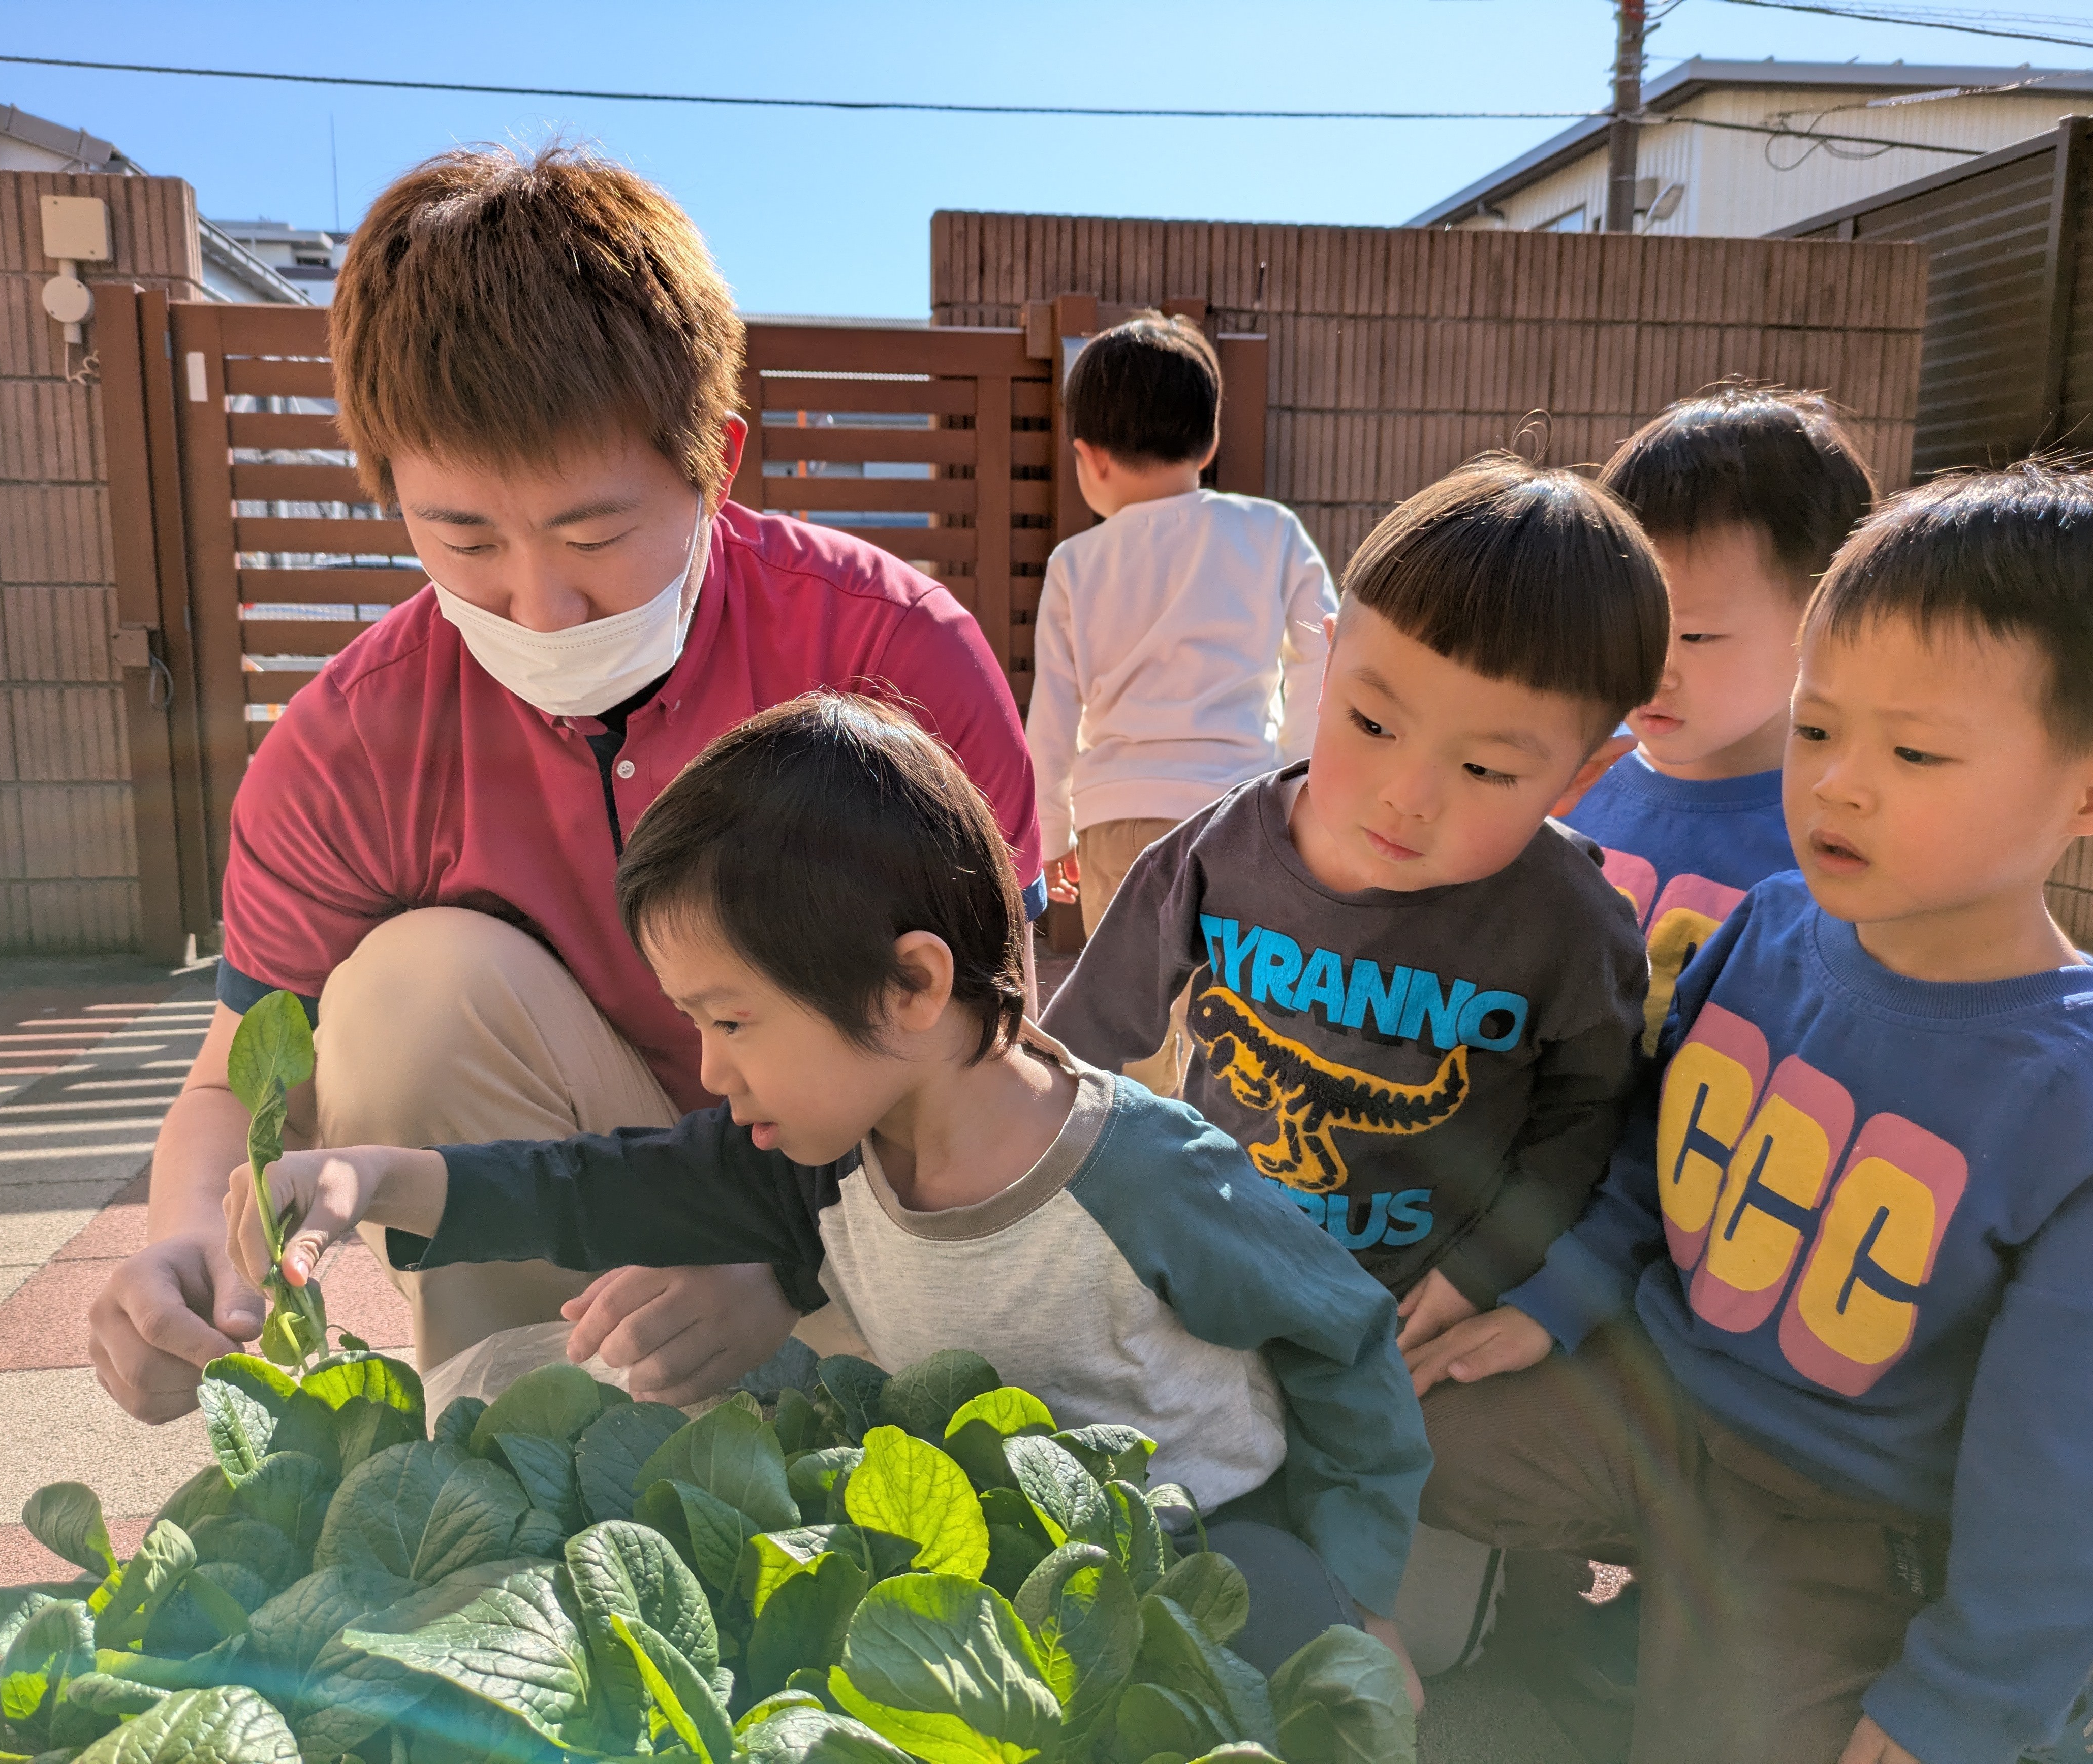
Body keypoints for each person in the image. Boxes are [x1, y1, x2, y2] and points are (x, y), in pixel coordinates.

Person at [88, 146, 1045, 1424]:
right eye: (463, 537)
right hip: (567, 1202)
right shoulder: (350, 741)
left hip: (868, 1191)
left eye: (595, 533)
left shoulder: (889, 651)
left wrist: (780, 1258)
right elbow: (240, 1081)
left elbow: (1004, 1038)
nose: (538, 603)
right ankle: (522, 1434)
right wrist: (184, 1244)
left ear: (717, 458)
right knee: (404, 990)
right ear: (387, 493)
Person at [226, 692, 1432, 1693]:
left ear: (911, 984)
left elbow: (1343, 1334)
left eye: (732, 1017)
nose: (708, 1067)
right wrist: (375, 1174)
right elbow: (592, 1186)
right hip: (1000, 1545)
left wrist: (1359, 1584)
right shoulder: (816, 1153)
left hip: (1209, 1529)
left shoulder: (1151, 1175)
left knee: (1280, 1659)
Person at [1405, 462, 2093, 1764]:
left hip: (1844, 1508)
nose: (1836, 786)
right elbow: (1649, 1164)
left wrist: (1965, 1698)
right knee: (1396, 1431)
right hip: (1656, 1393)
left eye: (1913, 751)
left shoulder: (2092, 1097)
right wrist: (1552, 1299)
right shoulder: (1766, 923)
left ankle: (2064, 1707)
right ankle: (1635, 1629)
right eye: (1816, 730)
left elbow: (2072, 1466)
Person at [1043, 454, 1659, 1352]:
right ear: (1322, 670)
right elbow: (1083, 1045)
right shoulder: (1220, 849)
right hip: (1213, 1261)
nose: (1406, 796)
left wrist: (1481, 1273)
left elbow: (1583, 1124)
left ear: (1583, 776)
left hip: (1407, 1314)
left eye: (1486, 769)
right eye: (1372, 724)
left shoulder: (1577, 928)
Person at [1025, 314, 1336, 1091]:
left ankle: (1142, 1157)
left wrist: (1052, 831)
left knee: (1133, 1014)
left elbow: (1054, 712)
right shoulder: (1270, 532)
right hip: (1240, 809)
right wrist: (1302, 782)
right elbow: (1324, 656)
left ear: (1087, 459)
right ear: (1208, 443)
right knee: (1239, 1010)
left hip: (1114, 820)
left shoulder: (1075, 565)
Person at [1565, 385, 1877, 1047]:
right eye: (1631, 625)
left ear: (1828, 622)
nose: (1653, 668)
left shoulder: (1841, 840)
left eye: (1698, 637)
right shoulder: (1566, 772)